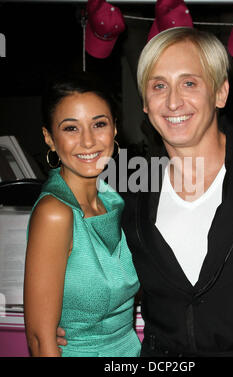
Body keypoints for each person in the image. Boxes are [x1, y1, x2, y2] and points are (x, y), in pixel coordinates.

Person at [57, 27, 233, 357]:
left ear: (220, 92)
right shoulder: (127, 185)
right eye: (159, 86)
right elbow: (104, 269)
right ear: (145, 102)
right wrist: (76, 317)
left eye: (189, 83)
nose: (172, 101)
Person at [24, 74, 141, 357]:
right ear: (49, 138)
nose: (88, 141)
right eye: (71, 129)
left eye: (99, 124)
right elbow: (41, 341)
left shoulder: (114, 199)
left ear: (114, 129)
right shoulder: (55, 214)